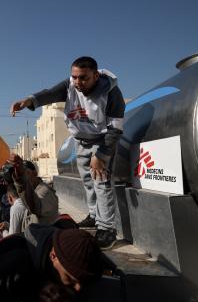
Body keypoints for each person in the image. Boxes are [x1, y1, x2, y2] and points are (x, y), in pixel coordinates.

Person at [10, 56, 125, 249]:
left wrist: (102, 155)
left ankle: (107, 229)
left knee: (101, 182)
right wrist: (29, 101)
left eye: (83, 78)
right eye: (74, 77)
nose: (77, 83)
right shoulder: (71, 85)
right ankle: (94, 216)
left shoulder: (112, 94)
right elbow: (50, 93)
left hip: (101, 141)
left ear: (96, 75)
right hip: (80, 141)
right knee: (88, 182)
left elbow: (115, 130)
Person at [0, 224, 104, 301]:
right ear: (53, 256)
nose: (78, 288)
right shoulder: (13, 265)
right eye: (71, 279)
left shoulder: (64, 243)